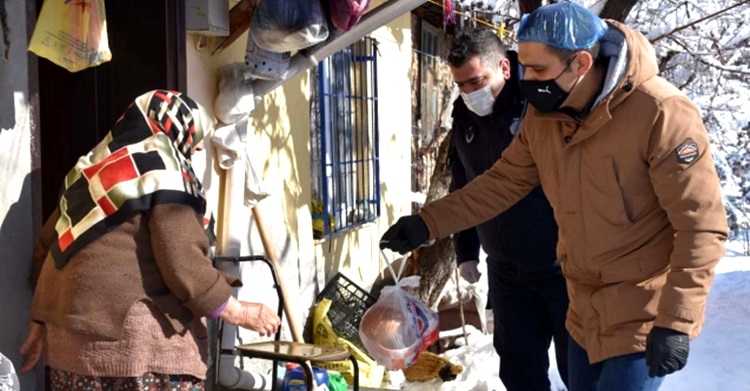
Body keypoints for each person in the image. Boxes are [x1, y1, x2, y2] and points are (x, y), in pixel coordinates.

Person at [380, 3, 728, 390]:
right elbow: (501, 183)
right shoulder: (545, 117)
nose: (526, 80)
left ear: (580, 62)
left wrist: (677, 320)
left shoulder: (661, 113)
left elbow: (702, 227)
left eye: (539, 70)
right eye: (524, 67)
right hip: (582, 311)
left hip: (640, 317)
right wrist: (427, 222)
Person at [19, 90, 281, 390]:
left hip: (71, 345)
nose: (194, 152)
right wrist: (237, 310)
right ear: (177, 130)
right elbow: (182, 258)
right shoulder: (161, 168)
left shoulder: (85, 173)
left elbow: (49, 249)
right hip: (135, 348)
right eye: (194, 141)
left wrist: (41, 317)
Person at [446, 28, 568, 390]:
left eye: (476, 81)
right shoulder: (464, 115)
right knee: (518, 374)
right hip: (505, 272)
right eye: (461, 85)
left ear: (504, 67)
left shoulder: (540, 104)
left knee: (580, 371)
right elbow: (464, 184)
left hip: (561, 267)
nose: (470, 92)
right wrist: (465, 250)